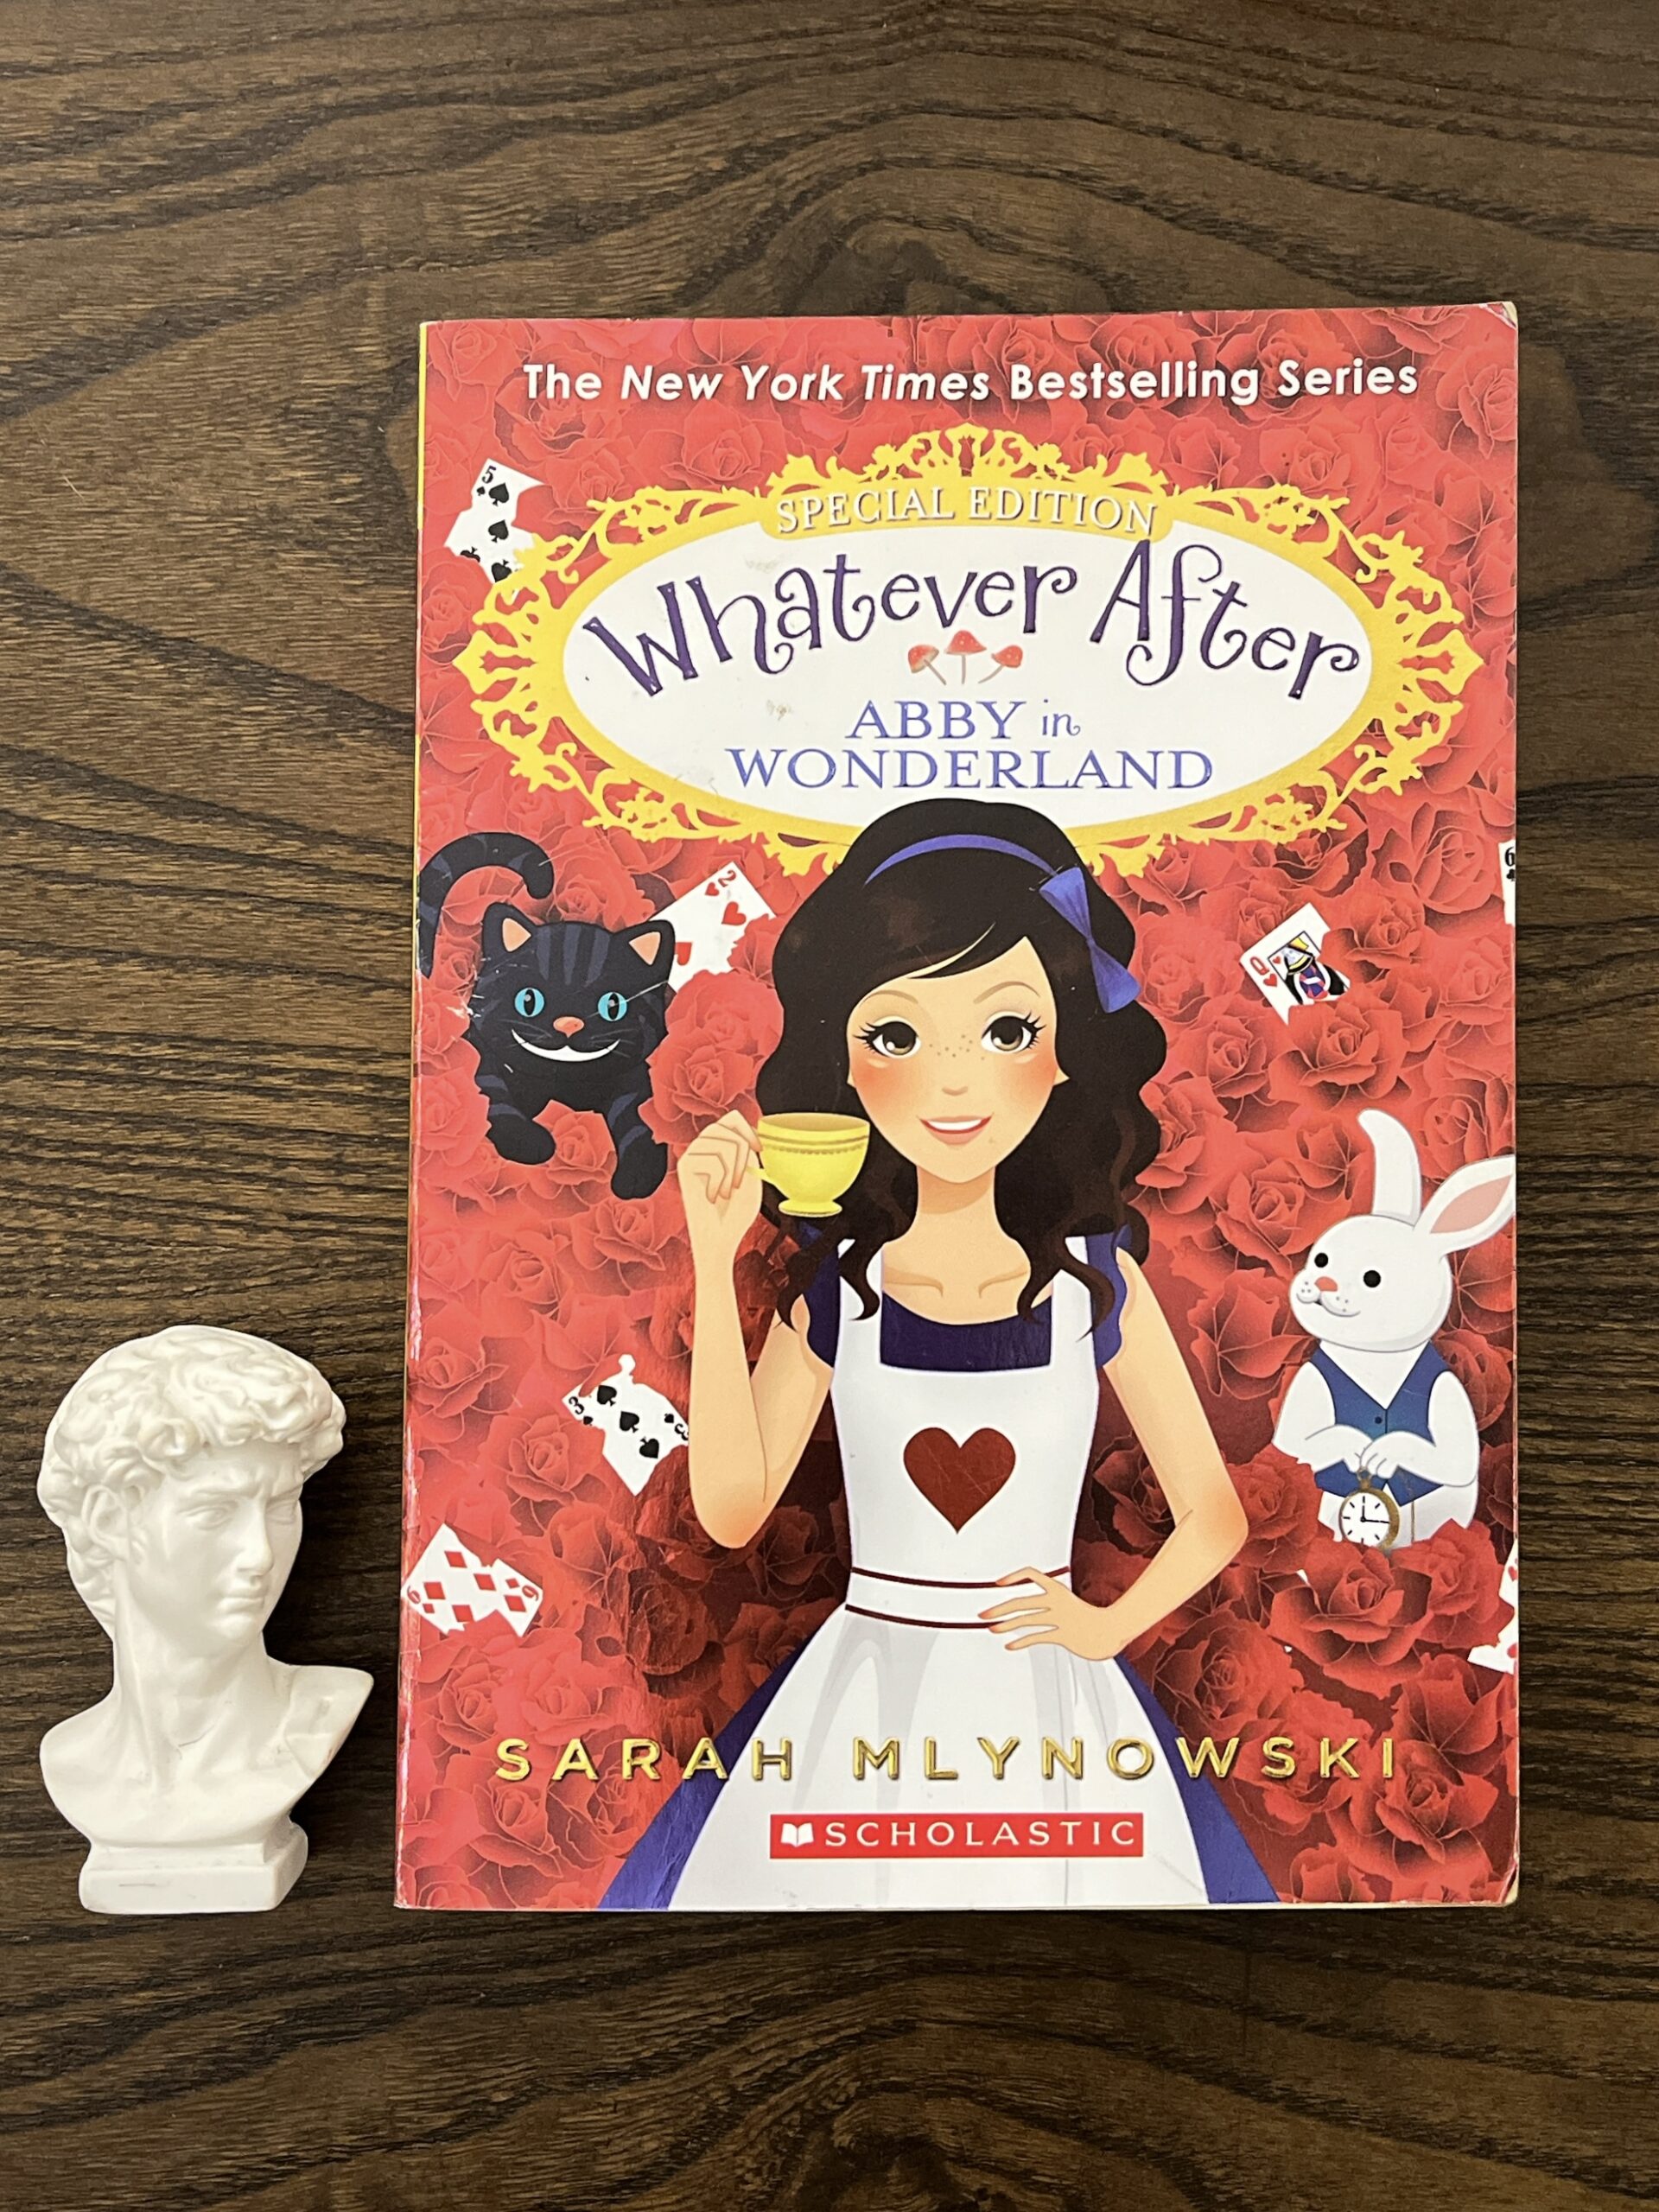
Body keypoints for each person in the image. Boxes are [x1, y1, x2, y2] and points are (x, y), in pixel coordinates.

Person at [606, 799, 1273, 1908]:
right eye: (899, 1036)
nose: (954, 1081)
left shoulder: (1097, 1282)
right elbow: (730, 1509)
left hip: (1052, 1706)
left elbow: (1217, 1514)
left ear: (1066, 1055)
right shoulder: (843, 1284)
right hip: (865, 1690)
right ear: (845, 1061)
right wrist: (713, 1263)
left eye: (1006, 1031)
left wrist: (1101, 1627)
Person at [37, 1325, 370, 1911]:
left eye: (280, 1508)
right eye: (215, 1513)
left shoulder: (322, 1716)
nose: (260, 1555)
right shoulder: (73, 1762)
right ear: (110, 1520)